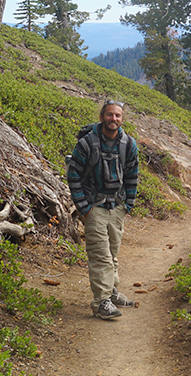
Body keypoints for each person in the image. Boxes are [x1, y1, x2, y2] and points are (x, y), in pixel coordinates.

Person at [67, 100, 140, 320]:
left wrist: (128, 204)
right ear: (102, 117)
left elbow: (132, 174)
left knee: (113, 254)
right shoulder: (87, 144)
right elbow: (73, 176)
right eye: (110, 115)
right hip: (94, 207)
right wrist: (84, 208)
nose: (113, 119)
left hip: (117, 206)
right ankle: (101, 302)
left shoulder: (128, 144)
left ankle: (111, 292)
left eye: (118, 116)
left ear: (122, 119)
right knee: (101, 256)